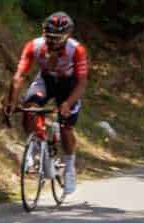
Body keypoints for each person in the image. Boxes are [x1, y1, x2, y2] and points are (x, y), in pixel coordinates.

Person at [10, 12, 91, 194]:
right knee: (29, 108)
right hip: (46, 81)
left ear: (67, 36)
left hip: (69, 86)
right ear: (43, 32)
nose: (52, 42)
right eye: (49, 37)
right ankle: (36, 147)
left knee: (66, 127)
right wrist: (12, 101)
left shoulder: (77, 50)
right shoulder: (34, 46)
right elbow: (19, 76)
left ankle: (69, 168)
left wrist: (68, 103)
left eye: (58, 38)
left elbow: (82, 82)